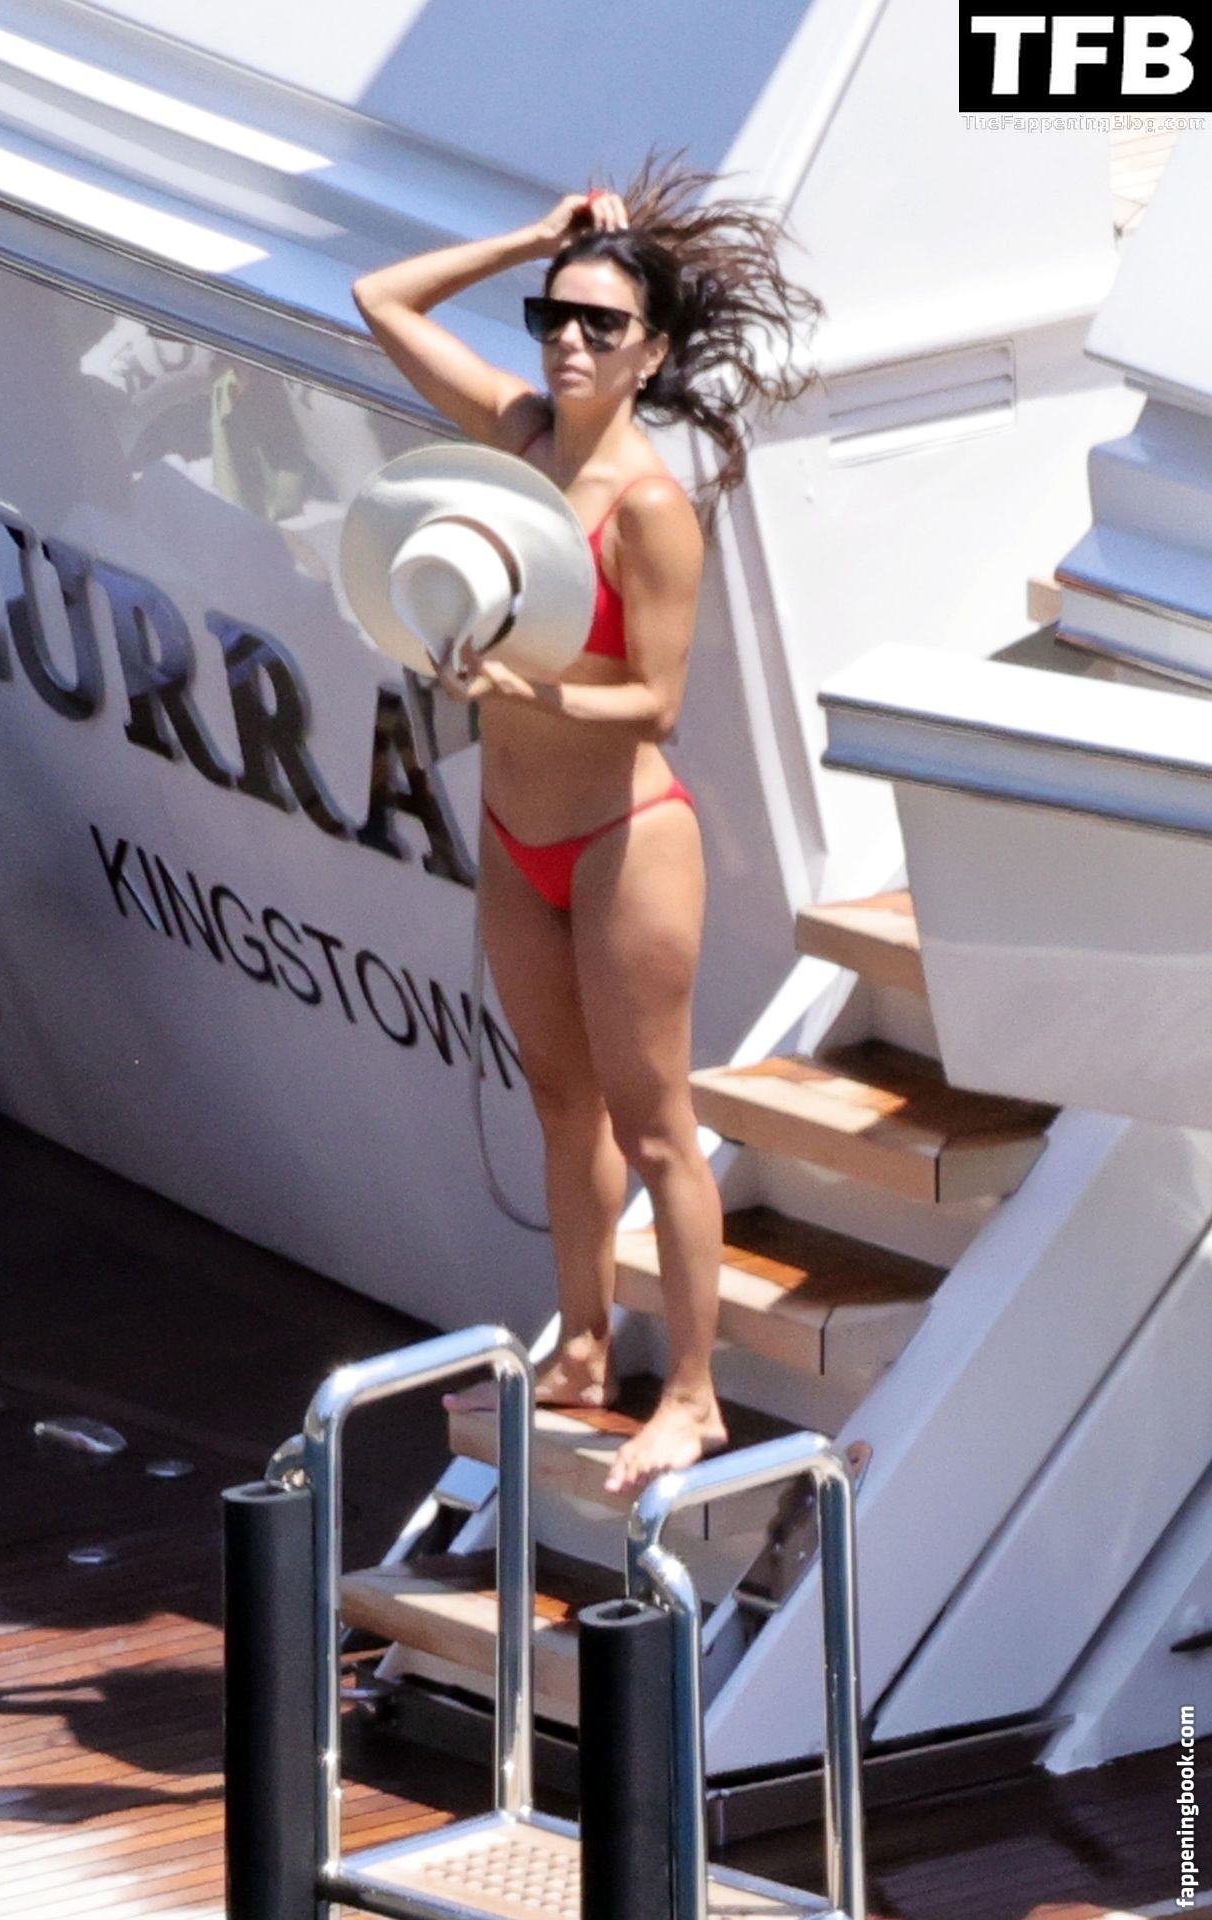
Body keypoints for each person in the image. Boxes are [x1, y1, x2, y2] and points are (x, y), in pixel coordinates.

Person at [351, 150, 820, 1492]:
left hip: (624, 838)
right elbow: (381, 300)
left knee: (655, 1122)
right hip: (516, 831)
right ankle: (582, 1351)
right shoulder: (516, 443)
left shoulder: (651, 510)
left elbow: (657, 702)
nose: (567, 341)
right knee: (562, 1103)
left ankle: (694, 1395)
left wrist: (523, 685)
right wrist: (529, 238)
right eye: (552, 316)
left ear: (650, 353)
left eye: (599, 325)